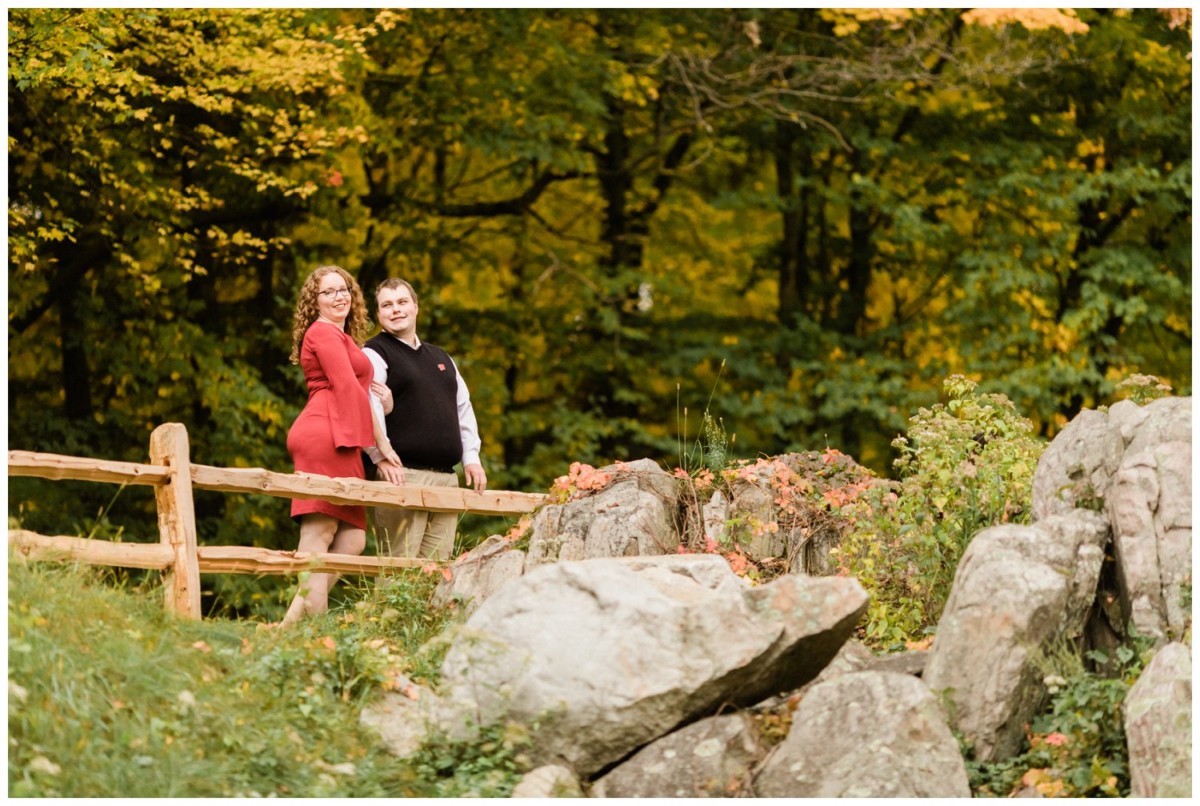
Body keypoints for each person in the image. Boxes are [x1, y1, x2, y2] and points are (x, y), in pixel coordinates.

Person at [280, 265, 402, 625]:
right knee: (319, 537)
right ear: (314, 302)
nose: (340, 296)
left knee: (352, 542)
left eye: (344, 289)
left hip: (345, 440)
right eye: (329, 292)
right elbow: (348, 388)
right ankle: (316, 635)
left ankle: (288, 625)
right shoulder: (322, 333)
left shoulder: (343, 336)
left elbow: (363, 390)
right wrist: (382, 447)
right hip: (324, 434)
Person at [363, 278, 487, 561]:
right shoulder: (374, 353)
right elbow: (365, 407)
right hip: (403, 475)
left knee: (437, 571)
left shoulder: (441, 357)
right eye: (387, 305)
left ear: (416, 307)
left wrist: (471, 458)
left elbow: (463, 408)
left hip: (446, 478)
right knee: (400, 571)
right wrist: (378, 457)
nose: (396, 310)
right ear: (379, 314)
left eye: (402, 302)